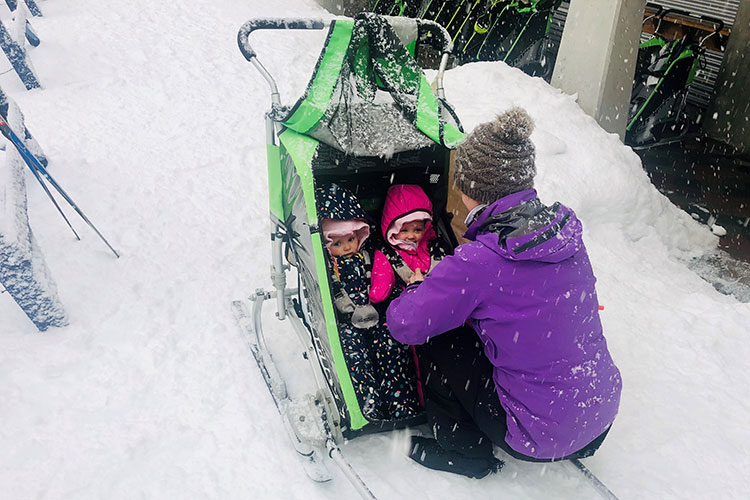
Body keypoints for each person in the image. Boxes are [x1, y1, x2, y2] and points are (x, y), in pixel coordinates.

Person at [386, 108, 622, 478]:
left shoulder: (481, 262)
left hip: (538, 436)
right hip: (599, 418)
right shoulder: (564, 236)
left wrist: (418, 286)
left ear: (469, 189)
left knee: (439, 338)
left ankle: (464, 452)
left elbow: (406, 324)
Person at [316, 184, 420, 420]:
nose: (346, 247)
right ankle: (367, 400)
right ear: (325, 244)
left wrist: (388, 305)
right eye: (337, 243)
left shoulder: (369, 254)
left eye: (350, 239)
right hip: (346, 321)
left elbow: (384, 281)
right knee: (355, 357)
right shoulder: (328, 266)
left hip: (376, 311)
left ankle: (400, 400)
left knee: (392, 350)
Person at [369, 184, 450, 304]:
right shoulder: (388, 253)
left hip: (440, 300)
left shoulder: (436, 245)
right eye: (404, 230)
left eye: (418, 230)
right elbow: (379, 294)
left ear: (425, 227)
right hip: (407, 303)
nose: (411, 236)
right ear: (392, 230)